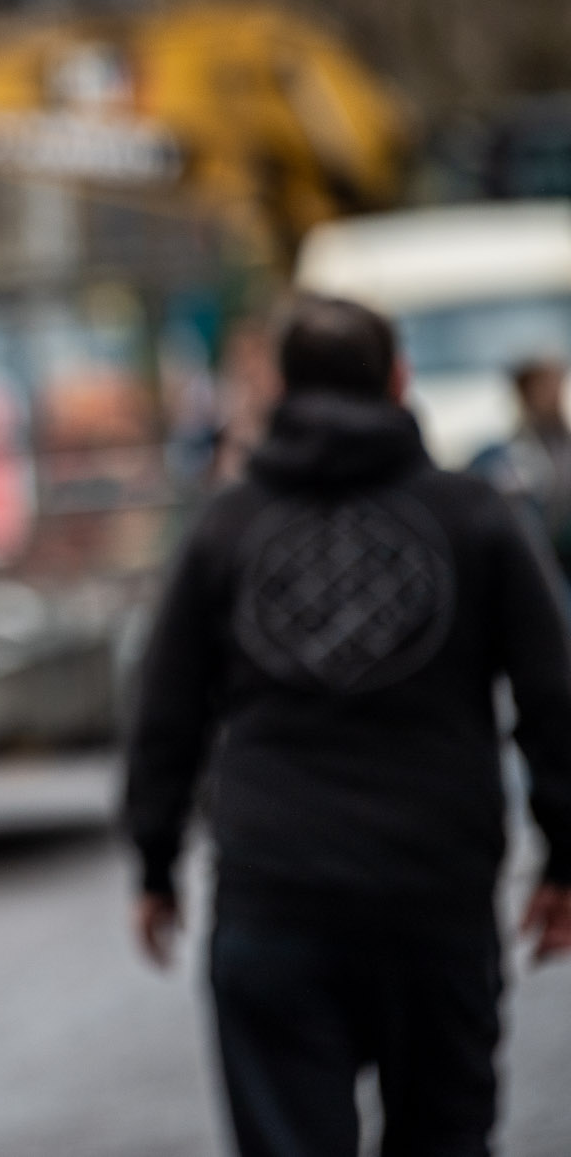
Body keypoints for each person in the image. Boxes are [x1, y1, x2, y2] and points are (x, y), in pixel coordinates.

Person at [126, 294, 571, 1157]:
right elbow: (553, 697)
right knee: (445, 1135)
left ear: (278, 389)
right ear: (400, 379)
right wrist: (565, 853)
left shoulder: (227, 525)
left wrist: (155, 860)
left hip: (274, 890)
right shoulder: (476, 515)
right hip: (436, 891)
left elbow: (166, 708)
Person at [469, 356, 571, 584]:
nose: (553, 394)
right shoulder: (506, 455)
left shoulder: (563, 443)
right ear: (525, 393)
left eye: (556, 384)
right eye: (544, 386)